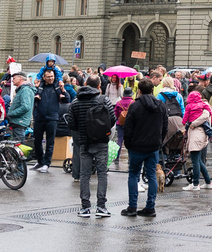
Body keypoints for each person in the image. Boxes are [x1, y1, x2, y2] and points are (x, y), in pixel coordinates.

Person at [67, 75, 115, 217]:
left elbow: (71, 124)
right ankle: (101, 206)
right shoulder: (104, 100)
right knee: (102, 174)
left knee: (85, 175)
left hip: (84, 142)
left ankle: (85, 207)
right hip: (101, 141)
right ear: (99, 85)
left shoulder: (76, 102)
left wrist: (83, 130)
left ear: (86, 84)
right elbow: (111, 120)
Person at [121, 78, 168, 217]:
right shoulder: (161, 105)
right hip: (153, 146)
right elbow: (165, 126)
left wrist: (128, 143)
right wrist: (159, 141)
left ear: (139, 91)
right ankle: (150, 206)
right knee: (152, 175)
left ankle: (132, 206)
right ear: (152, 89)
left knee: (133, 175)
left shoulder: (135, 106)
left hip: (136, 146)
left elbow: (128, 127)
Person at [181, 90, 212, 192]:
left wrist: (191, 124)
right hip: (200, 136)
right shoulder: (204, 106)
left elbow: (188, 117)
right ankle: (208, 182)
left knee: (195, 161)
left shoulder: (197, 109)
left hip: (197, 136)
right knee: (198, 160)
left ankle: (195, 184)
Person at [32, 66, 63, 173]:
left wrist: (63, 89)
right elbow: (32, 98)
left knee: (50, 142)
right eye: (48, 76)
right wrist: (35, 88)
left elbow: (67, 99)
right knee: (37, 141)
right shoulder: (39, 87)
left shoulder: (57, 88)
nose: (50, 78)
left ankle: (46, 163)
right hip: (39, 118)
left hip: (52, 118)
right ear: (43, 77)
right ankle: (40, 161)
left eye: (52, 76)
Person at [7, 73, 34, 142]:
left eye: (14, 78)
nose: (12, 80)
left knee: (18, 146)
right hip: (19, 122)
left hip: (19, 122)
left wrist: (12, 113)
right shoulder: (23, 89)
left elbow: (25, 107)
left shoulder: (25, 90)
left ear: (21, 78)